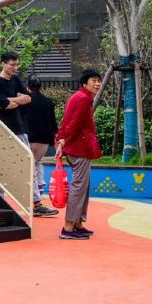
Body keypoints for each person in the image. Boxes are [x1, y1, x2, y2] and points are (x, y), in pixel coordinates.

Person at [55, 69, 103, 240]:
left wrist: (61, 139)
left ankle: (77, 224)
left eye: (99, 80)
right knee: (79, 186)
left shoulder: (79, 97)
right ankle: (68, 227)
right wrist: (63, 141)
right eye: (94, 80)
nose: (97, 83)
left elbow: (66, 121)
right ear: (84, 83)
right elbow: (74, 124)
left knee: (83, 186)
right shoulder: (83, 99)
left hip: (78, 147)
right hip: (79, 148)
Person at [21, 76, 59, 217]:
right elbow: (53, 124)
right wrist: (56, 144)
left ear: (28, 86)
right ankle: (38, 193)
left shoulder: (24, 100)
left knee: (30, 167)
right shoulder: (48, 101)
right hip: (44, 140)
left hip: (28, 138)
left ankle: (36, 202)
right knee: (37, 163)